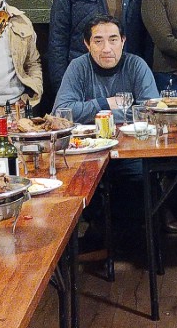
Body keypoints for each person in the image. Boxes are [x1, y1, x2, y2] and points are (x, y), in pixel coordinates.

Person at [53, 14, 159, 250]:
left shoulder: (136, 65)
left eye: (113, 39)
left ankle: (127, 242)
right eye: (98, 41)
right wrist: (105, 102)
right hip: (86, 154)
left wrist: (96, 112)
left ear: (123, 41)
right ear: (87, 45)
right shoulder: (78, 67)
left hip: (132, 151)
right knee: (74, 187)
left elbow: (151, 112)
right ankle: (101, 239)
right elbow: (61, 113)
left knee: (141, 184)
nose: (106, 48)